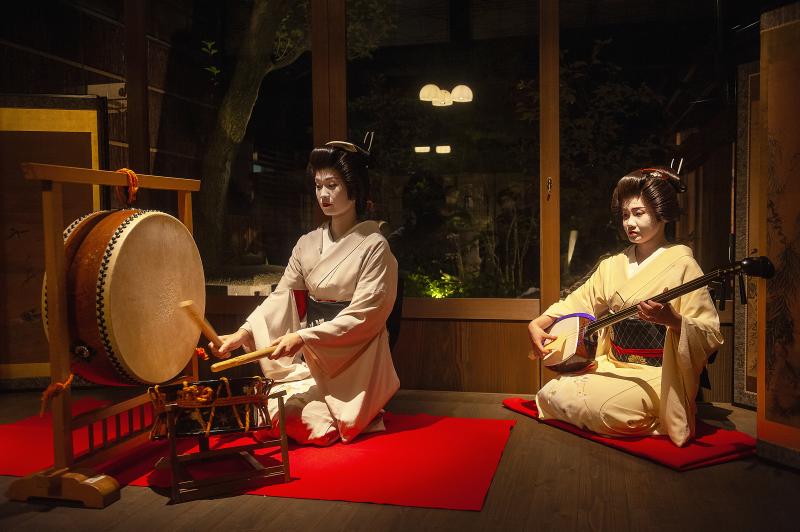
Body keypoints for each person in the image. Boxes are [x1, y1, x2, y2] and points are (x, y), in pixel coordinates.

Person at [211, 138, 400, 446]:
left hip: (355, 358)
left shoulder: (374, 246)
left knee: (302, 421)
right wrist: (243, 334)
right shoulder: (307, 243)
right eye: (318, 185)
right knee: (268, 409)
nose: (323, 195)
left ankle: (364, 409)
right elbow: (281, 296)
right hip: (313, 356)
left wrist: (303, 337)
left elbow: (366, 314)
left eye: (333, 185)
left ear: (355, 188)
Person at [527, 168, 723, 447]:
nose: (630, 222)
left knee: (609, 412)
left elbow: (709, 331)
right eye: (625, 215)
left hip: (658, 372)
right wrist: (537, 323)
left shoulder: (683, 265)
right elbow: (578, 301)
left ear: (661, 213)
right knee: (549, 394)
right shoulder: (613, 265)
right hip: (612, 363)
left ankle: (656, 412)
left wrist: (674, 320)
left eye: (639, 213)